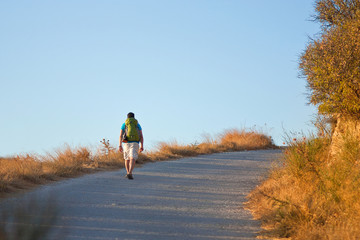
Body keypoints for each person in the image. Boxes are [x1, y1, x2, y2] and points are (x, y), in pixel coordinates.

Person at [119, 112, 144, 180]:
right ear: (134, 117)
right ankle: (130, 172)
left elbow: (121, 135)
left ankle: (128, 172)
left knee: (127, 159)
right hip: (135, 143)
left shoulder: (124, 124)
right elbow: (141, 136)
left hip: (126, 143)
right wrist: (141, 146)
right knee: (132, 158)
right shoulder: (137, 124)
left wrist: (120, 145)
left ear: (127, 117)